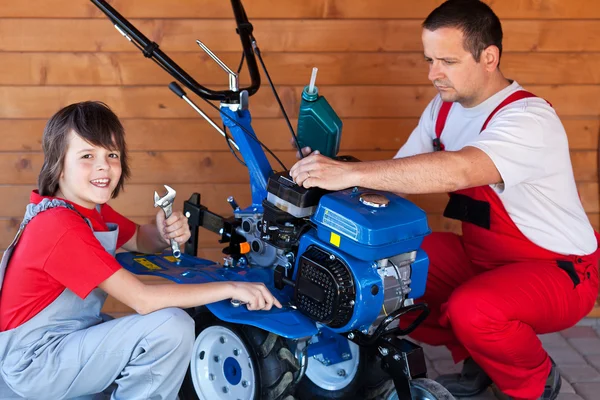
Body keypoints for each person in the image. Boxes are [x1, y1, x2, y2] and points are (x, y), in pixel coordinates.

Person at [290, 1, 599, 399]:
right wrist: (329, 177)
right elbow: (397, 178)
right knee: (395, 274)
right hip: (483, 258)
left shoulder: (528, 119)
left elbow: (462, 169)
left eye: (447, 61)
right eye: (429, 60)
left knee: (475, 309)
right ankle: (482, 360)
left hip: (560, 270)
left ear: (489, 57)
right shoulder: (443, 109)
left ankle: (534, 382)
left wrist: (351, 171)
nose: (433, 74)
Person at [0, 101, 282, 400]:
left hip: (61, 342)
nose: (104, 166)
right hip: (34, 362)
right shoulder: (60, 225)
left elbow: (140, 240)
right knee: (170, 328)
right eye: (87, 155)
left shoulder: (88, 210)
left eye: (112, 154)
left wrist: (162, 233)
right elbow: (143, 300)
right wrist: (231, 287)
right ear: (58, 165)